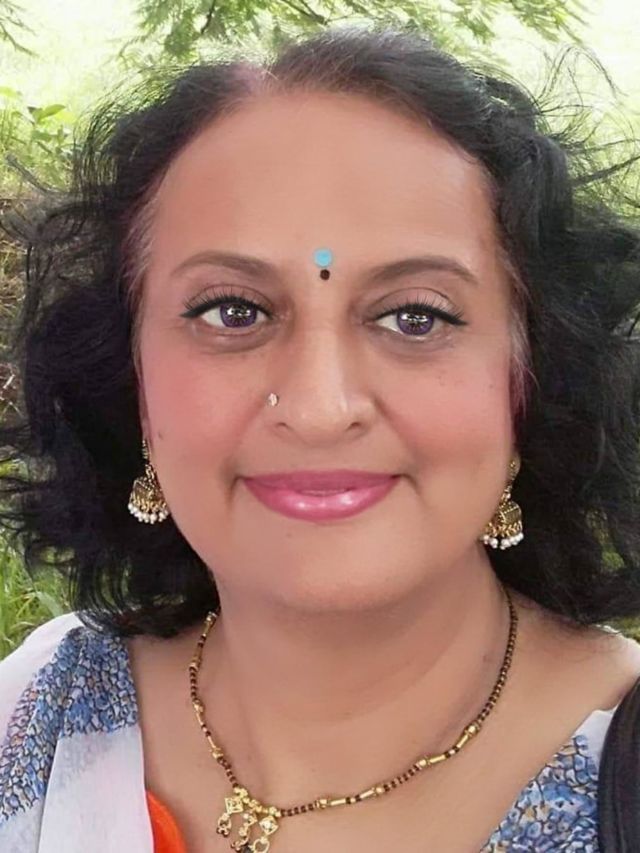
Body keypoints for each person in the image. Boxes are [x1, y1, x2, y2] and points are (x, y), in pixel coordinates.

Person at [1, 22, 640, 853]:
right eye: (233, 310)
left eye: (415, 317)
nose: (318, 406)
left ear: (531, 380)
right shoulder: (37, 712)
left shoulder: (621, 773)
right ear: (132, 381)